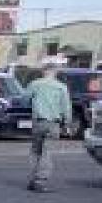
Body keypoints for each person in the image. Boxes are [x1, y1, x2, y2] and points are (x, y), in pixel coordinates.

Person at [24, 63, 72, 192]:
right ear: (55, 72)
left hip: (38, 122)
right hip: (53, 123)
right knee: (47, 152)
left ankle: (32, 179)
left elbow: (25, 98)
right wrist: (67, 124)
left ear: (43, 72)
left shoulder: (35, 84)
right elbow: (66, 107)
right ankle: (40, 180)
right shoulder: (61, 87)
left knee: (35, 151)